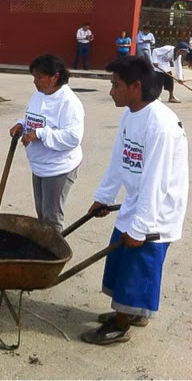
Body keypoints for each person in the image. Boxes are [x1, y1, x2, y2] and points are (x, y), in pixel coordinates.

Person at [81, 56, 188, 346]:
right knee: (121, 260)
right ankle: (133, 313)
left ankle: (121, 324)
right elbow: (119, 159)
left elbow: (157, 182)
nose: (111, 91)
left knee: (137, 267)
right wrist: (103, 197)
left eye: (116, 85)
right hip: (137, 202)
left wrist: (141, 227)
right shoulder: (131, 115)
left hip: (156, 210)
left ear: (136, 87)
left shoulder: (160, 126)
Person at [9, 54, 84, 232]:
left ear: (55, 77)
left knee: (52, 217)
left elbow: (73, 137)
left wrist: (40, 134)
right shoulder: (39, 94)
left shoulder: (69, 102)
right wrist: (22, 124)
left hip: (59, 167)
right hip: (40, 165)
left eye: (39, 77)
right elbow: (34, 118)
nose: (35, 82)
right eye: (34, 77)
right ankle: (43, 251)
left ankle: (55, 256)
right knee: (42, 214)